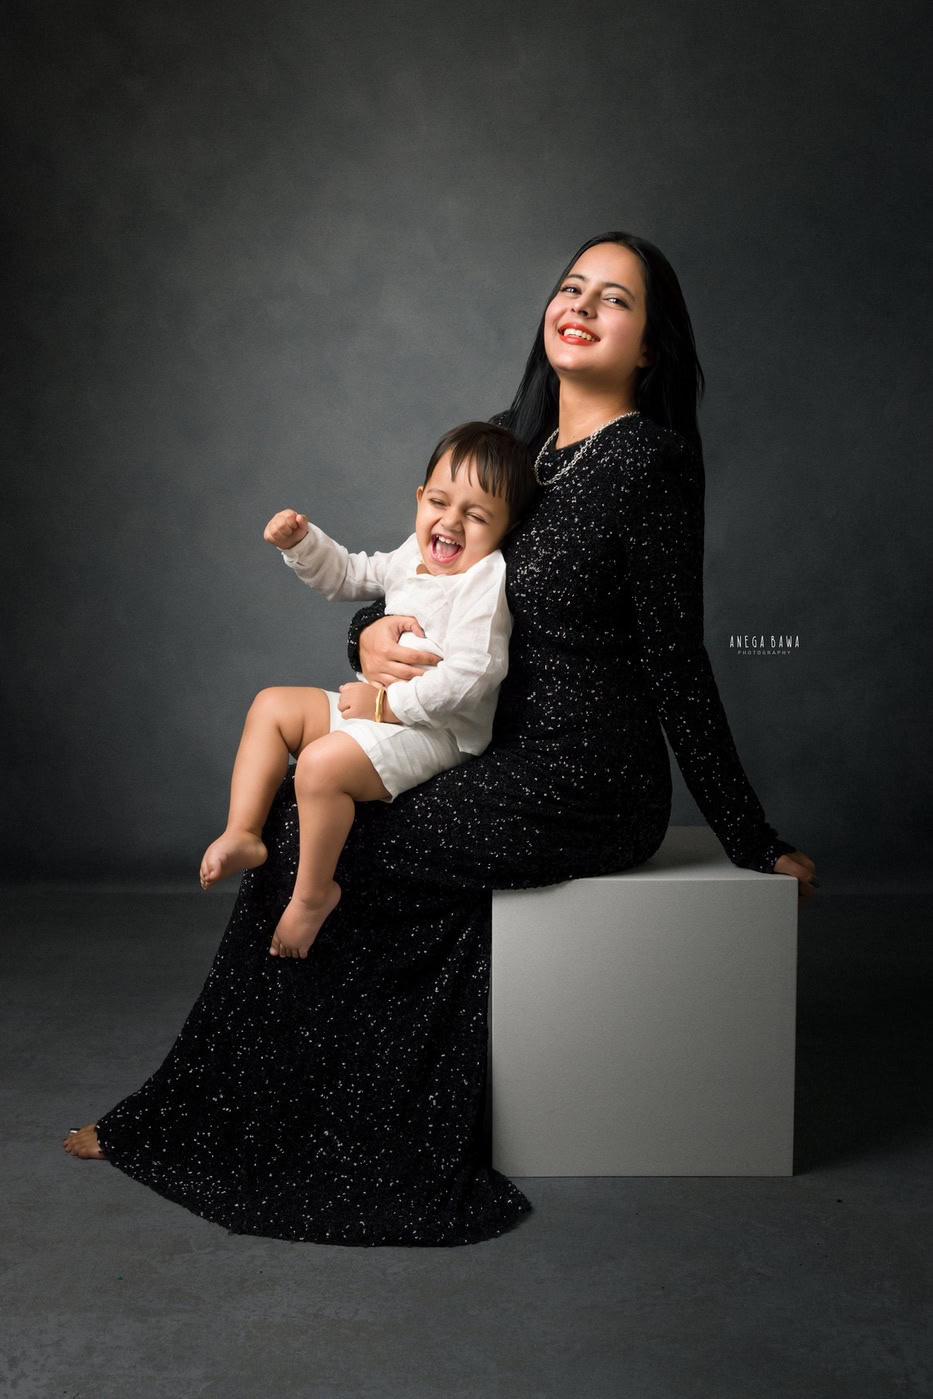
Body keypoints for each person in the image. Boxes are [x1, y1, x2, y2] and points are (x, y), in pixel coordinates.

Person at [63, 232, 818, 1251]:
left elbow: (676, 659)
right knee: (303, 814)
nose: (582, 306)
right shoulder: (520, 449)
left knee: (331, 841)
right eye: (570, 287)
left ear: (650, 346)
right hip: (484, 751)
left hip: (582, 779)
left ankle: (285, 1129)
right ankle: (219, 1113)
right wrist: (362, 636)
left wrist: (749, 833)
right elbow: (418, 587)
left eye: (615, 300)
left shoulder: (647, 461)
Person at [196, 420, 536, 960]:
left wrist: (387, 705)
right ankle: (243, 831)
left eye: (476, 516)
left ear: (506, 528)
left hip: (437, 732)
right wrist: (303, 544)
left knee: (319, 768)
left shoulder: (484, 581)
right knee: (272, 706)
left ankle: (313, 895)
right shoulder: (412, 554)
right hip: (374, 712)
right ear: (420, 499)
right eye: (440, 503)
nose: (450, 523)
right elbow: (351, 574)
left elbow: (476, 674)